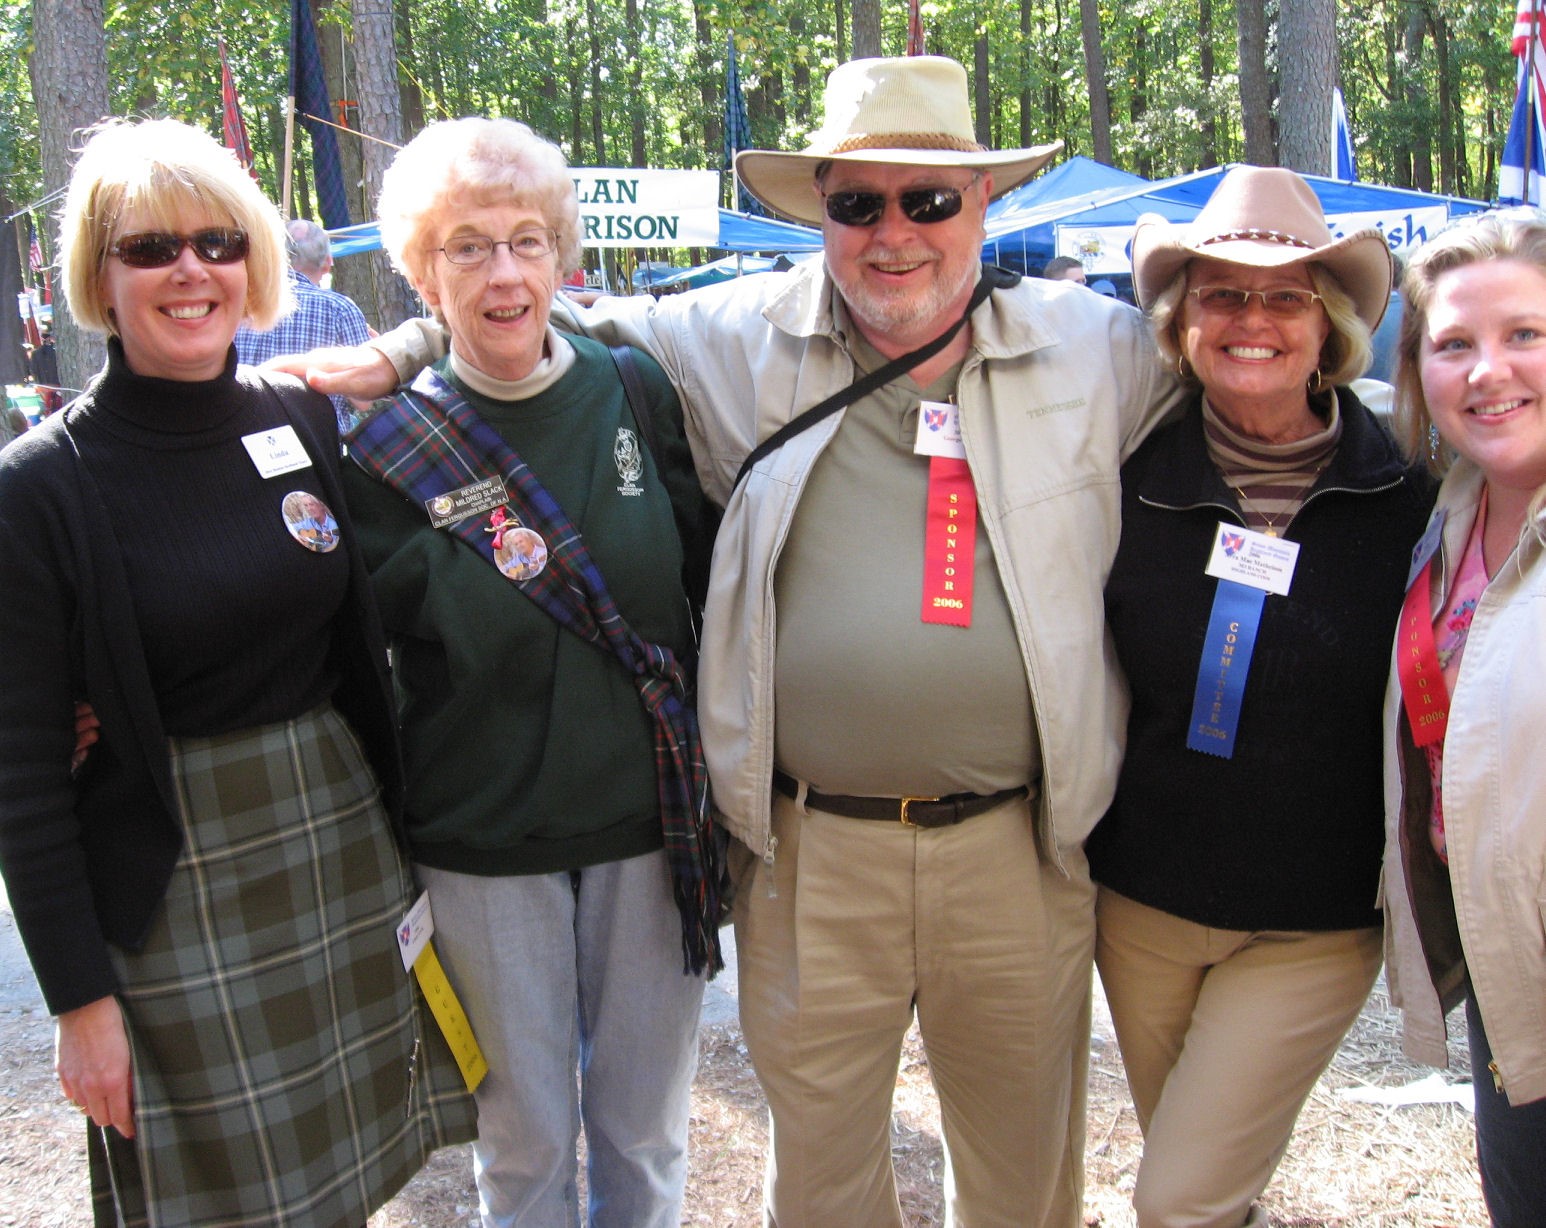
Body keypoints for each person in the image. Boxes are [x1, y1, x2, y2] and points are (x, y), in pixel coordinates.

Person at [286, 56, 1186, 1228]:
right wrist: (401, 354)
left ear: (984, 207)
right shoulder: (732, 338)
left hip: (1014, 850)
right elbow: (531, 310)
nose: (893, 234)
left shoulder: (1096, 349)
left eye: (929, 200)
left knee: (1023, 1185)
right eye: (857, 203)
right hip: (813, 853)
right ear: (820, 214)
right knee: (818, 1187)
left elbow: (1255, 382)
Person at [0, 118, 474, 1227]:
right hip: (175, 891)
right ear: (98, 275)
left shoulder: (301, 414)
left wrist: (404, 347)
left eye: (217, 241)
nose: (189, 270)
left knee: (341, 1180)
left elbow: (508, 325)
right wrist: (80, 1003)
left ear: (253, 259)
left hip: (338, 845)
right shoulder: (38, 488)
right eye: (149, 247)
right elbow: (20, 776)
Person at [342, 116, 720, 1228]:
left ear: (563, 254)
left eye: (525, 240)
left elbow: (706, 583)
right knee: (523, 1147)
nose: (502, 272)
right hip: (480, 849)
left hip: (652, 840)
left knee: (645, 1140)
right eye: (466, 245)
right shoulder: (380, 453)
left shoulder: (638, 394)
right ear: (421, 271)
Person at [1084, 166, 1434, 1228]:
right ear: (1180, 321)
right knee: (1203, 1181)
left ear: (1327, 326)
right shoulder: (1124, 473)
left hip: (1310, 924)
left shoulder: (1412, 488)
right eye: (1220, 295)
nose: (1250, 320)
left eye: (1283, 297)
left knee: (1178, 1196)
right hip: (1138, 905)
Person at [1383, 207, 1546, 1228]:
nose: (1488, 371)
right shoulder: (1444, 518)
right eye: (1454, 344)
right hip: (1504, 971)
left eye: (1524, 335)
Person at [236, 217, 372, 431]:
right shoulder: (340, 309)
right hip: (318, 442)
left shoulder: (240, 307)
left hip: (246, 438)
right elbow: (365, 400)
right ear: (328, 262)